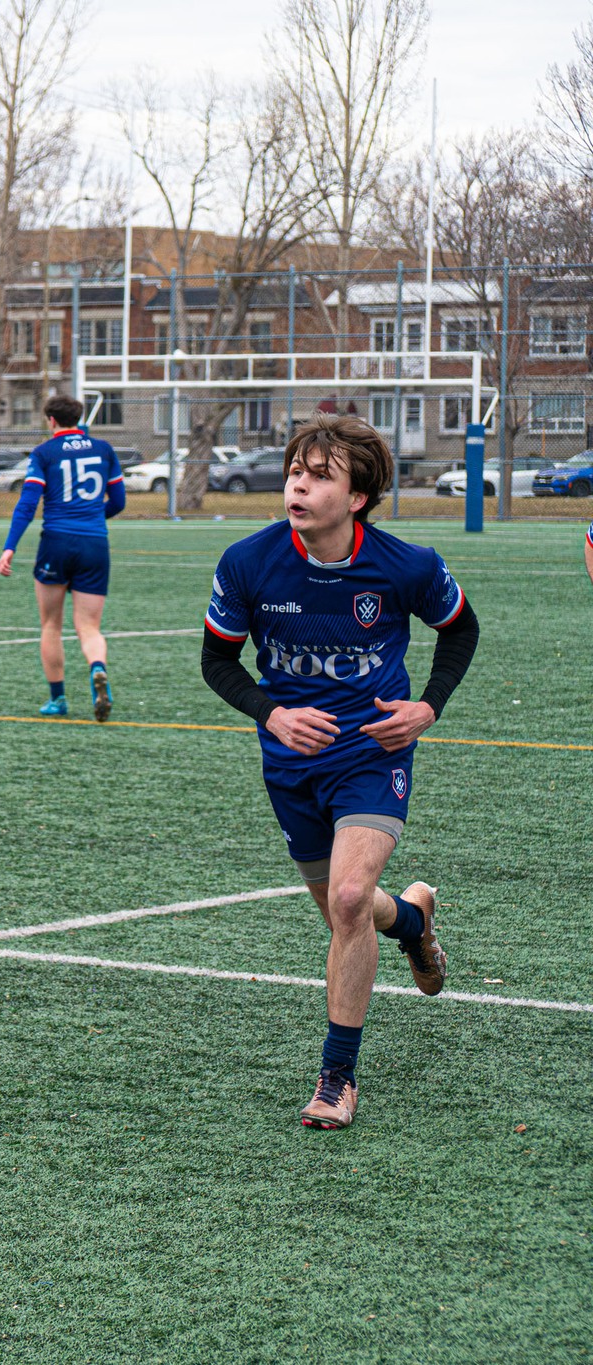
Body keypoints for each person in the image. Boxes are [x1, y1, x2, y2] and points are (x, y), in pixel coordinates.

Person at [201, 413, 478, 1129]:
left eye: (319, 475)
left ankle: (336, 1077)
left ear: (356, 496)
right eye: (296, 470)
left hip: (371, 757)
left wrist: (427, 708)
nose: (298, 483)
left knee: (351, 900)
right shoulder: (248, 562)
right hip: (290, 766)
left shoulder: (404, 564)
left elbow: (460, 628)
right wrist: (272, 713)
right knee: (345, 911)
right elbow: (217, 661)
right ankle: (413, 918)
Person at [0, 394, 125, 720]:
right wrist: (94, 516)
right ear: (79, 418)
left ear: (51, 420)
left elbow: (27, 504)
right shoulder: (104, 450)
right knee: (89, 627)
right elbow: (119, 502)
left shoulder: (44, 453)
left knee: (51, 625)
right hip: (95, 543)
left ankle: (58, 700)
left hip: (56, 542)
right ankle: (98, 669)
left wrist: (10, 545)